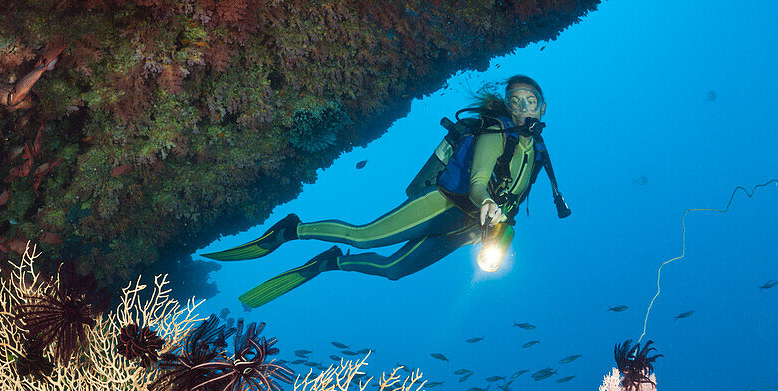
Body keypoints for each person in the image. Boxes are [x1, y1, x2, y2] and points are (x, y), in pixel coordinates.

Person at [203, 75, 569, 308]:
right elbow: (478, 183)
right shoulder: (495, 132)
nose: (523, 107)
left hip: (467, 230)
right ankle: (290, 229)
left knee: (394, 270)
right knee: (363, 237)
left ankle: (329, 262)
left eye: (530, 101)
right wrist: (486, 202)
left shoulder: (538, 156)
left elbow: (513, 200)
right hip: (444, 204)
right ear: (507, 107)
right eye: (516, 101)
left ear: (543, 106)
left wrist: (495, 231)